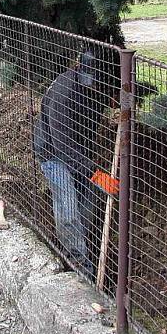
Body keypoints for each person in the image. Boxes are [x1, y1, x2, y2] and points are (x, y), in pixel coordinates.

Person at [33, 50, 108, 278]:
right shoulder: (64, 94)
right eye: (89, 81)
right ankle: (78, 267)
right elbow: (62, 146)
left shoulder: (95, 89)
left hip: (78, 152)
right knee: (67, 207)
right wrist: (95, 174)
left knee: (89, 199)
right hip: (53, 154)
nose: (92, 86)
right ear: (79, 68)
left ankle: (83, 249)